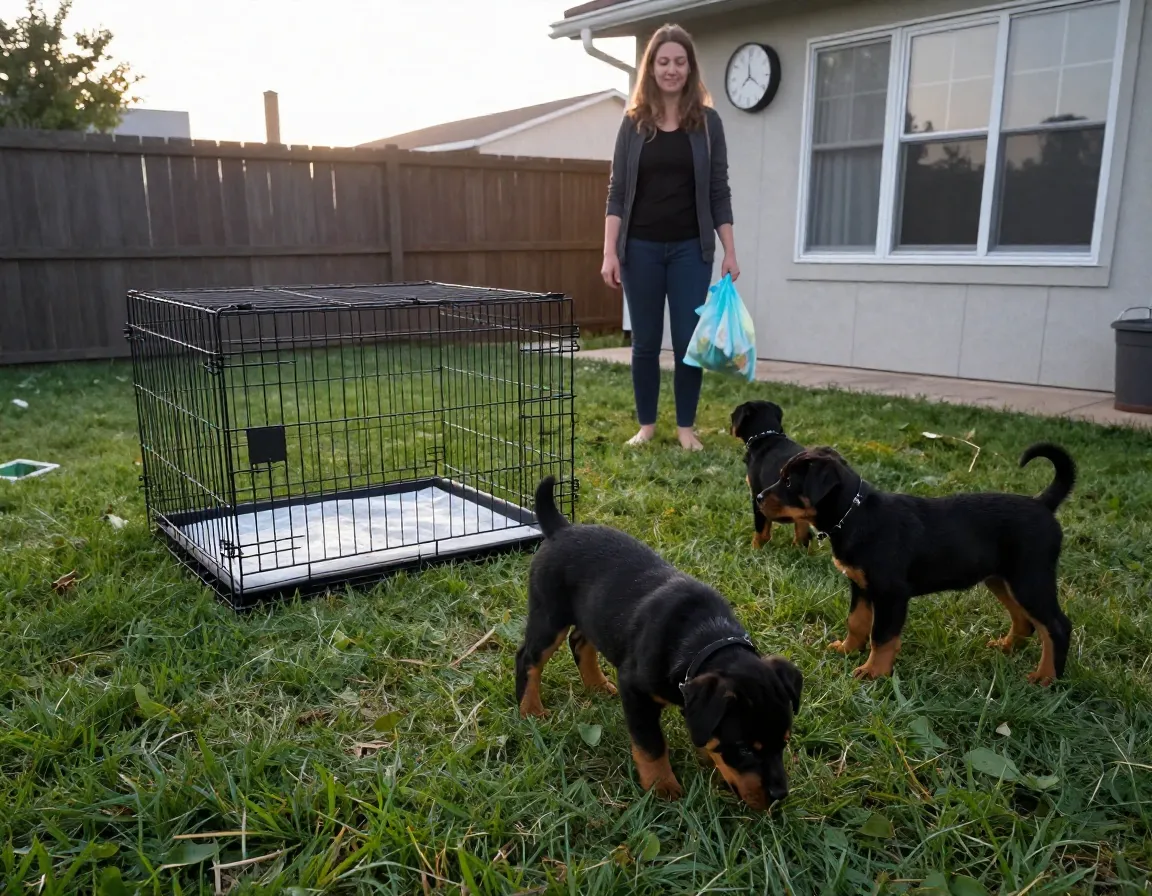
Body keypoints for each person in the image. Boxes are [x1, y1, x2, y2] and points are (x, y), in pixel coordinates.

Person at [601, 23, 739, 452]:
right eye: (663, 62)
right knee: (644, 342)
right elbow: (617, 191)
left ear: (690, 68)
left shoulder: (708, 125)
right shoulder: (634, 124)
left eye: (679, 62)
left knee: (686, 344)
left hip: (690, 252)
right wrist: (610, 251)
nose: (672, 69)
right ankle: (646, 427)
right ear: (652, 68)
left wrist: (729, 250)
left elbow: (719, 190)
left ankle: (684, 428)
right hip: (639, 249)